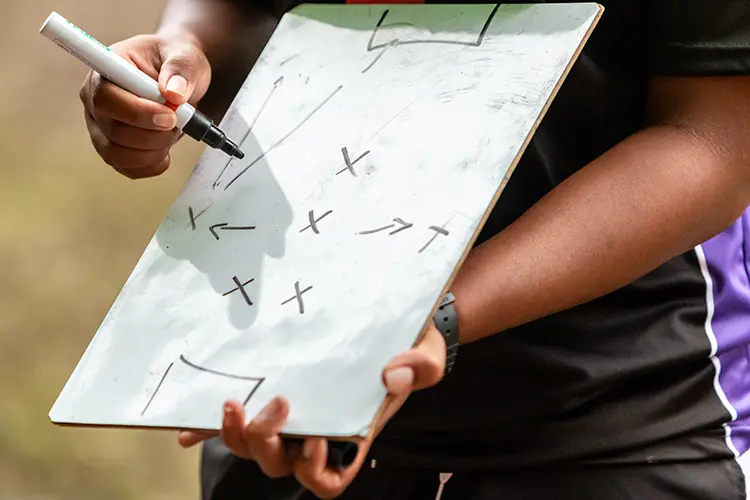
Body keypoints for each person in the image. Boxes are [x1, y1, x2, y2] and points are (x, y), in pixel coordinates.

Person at [79, 0, 750, 498]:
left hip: (613, 420)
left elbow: (714, 140)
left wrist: (429, 318)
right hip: (288, 391)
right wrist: (182, 49)